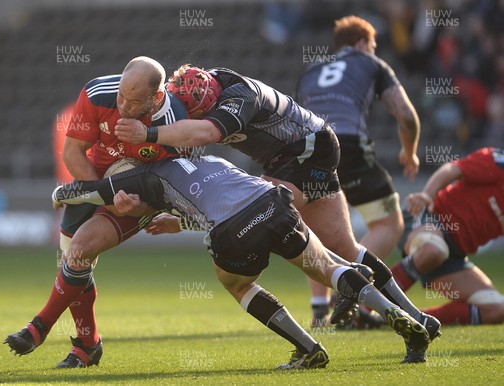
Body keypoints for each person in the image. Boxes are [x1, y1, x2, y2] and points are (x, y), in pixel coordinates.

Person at [113, 63, 440, 361]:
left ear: (211, 98)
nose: (199, 118)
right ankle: (414, 315)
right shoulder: (201, 86)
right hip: (308, 149)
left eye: (202, 112)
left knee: (264, 213)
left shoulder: (239, 95)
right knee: (343, 247)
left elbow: (209, 134)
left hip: (304, 150)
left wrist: (149, 135)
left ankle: (348, 288)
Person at [52, 154, 431, 368]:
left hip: (236, 230)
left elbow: (92, 191)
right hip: (272, 202)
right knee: (328, 267)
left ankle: (308, 348)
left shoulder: (143, 177)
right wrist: (179, 222)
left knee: (237, 283)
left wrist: (60, 194)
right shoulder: (206, 158)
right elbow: (216, 199)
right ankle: (406, 322)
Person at [4, 56, 189, 368]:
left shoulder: (176, 125)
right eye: (121, 96)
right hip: (92, 180)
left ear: (155, 98)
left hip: (136, 197)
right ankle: (88, 345)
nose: (123, 106)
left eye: (133, 102)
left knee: (80, 250)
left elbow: (171, 188)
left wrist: (143, 207)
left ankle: (38, 328)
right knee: (72, 261)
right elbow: (71, 152)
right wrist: (103, 195)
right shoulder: (97, 94)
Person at [294, 15, 421, 324]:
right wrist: (410, 151)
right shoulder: (371, 63)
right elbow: (406, 116)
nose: (374, 50)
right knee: (389, 222)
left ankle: (318, 310)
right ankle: (350, 293)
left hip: (308, 148)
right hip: (348, 146)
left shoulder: (311, 71)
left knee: (320, 235)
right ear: (364, 43)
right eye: (374, 45)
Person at [391, 147, 504, 325]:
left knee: (496, 310)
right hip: (429, 217)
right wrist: (427, 195)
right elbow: (453, 169)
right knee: (434, 250)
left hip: (453, 257)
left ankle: (401, 320)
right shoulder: (499, 163)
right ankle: (365, 305)